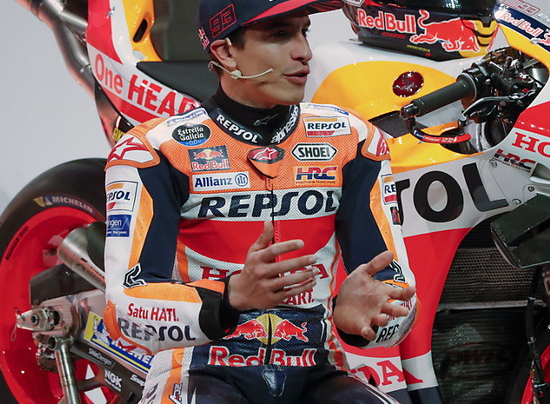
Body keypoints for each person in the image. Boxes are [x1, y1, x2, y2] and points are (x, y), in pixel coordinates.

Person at [103, 1, 417, 403]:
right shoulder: (155, 151)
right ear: (225, 52)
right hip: (200, 369)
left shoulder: (353, 140)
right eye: (280, 35)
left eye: (304, 31)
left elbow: (397, 292)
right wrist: (230, 296)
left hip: (317, 371)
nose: (304, 52)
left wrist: (363, 318)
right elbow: (124, 310)